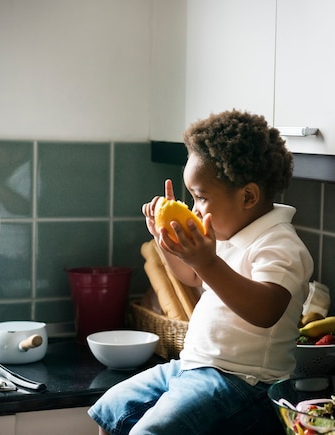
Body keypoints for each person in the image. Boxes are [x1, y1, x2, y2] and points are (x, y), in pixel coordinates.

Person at [88, 110, 314, 435]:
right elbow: (193, 278)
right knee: (111, 409)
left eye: (201, 197)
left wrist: (207, 261)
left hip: (245, 383)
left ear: (248, 196)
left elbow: (266, 310)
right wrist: (166, 243)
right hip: (191, 366)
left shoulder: (280, 245)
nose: (193, 209)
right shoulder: (227, 232)